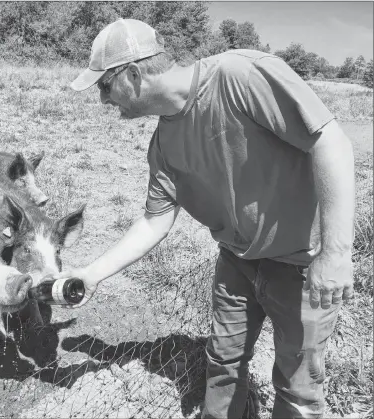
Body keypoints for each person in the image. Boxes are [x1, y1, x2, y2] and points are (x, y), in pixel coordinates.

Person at [55, 18, 355, 419]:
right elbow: (154, 221)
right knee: (223, 364)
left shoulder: (240, 75)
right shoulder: (163, 145)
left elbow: (329, 140)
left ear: (132, 74)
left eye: (104, 87)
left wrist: (335, 254)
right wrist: (92, 273)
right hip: (237, 261)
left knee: (298, 387)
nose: (104, 101)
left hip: (303, 266)